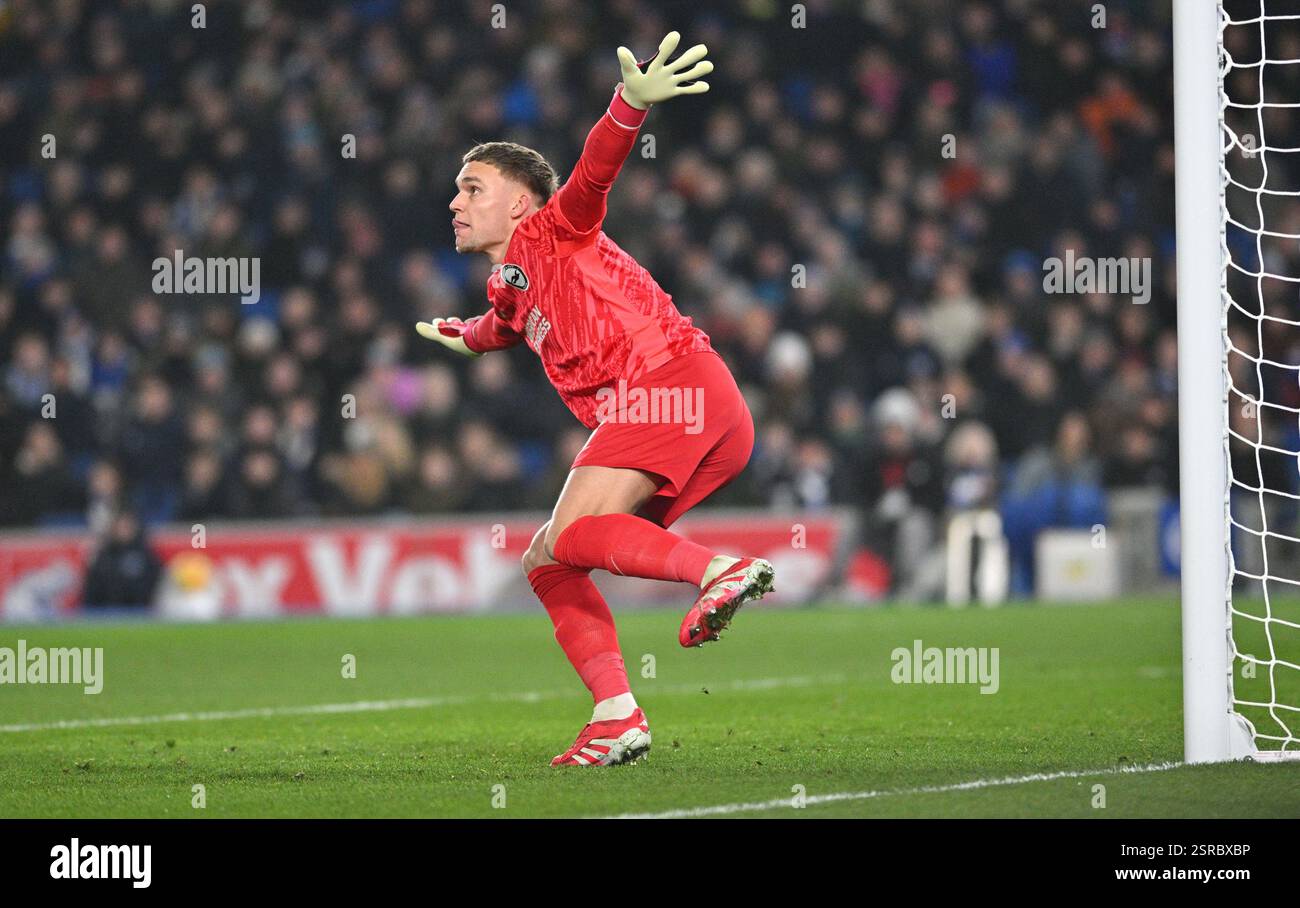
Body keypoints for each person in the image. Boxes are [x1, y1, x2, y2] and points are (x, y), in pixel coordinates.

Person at [415, 32, 773, 767]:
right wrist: (467, 338)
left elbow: (593, 176)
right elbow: (504, 322)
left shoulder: (555, 227)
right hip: (706, 414)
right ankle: (616, 713)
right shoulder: (510, 282)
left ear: (519, 205)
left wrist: (627, 106)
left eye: (471, 188)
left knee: (573, 531)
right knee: (549, 559)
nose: (455, 201)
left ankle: (720, 571)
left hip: (672, 385)